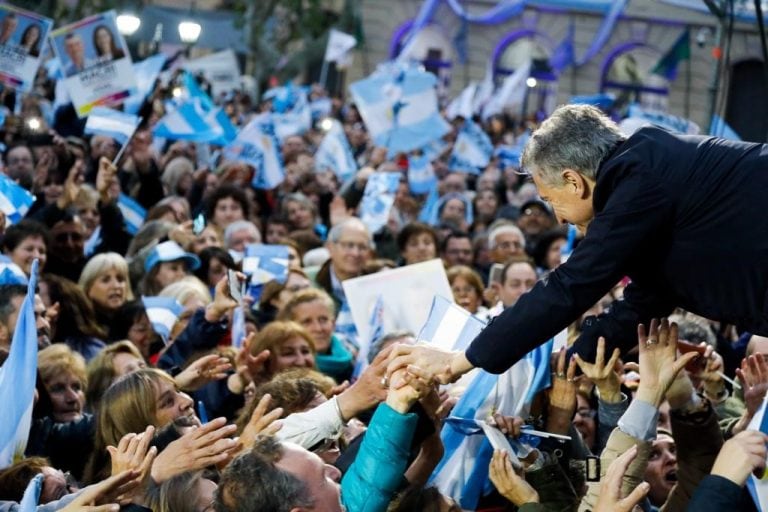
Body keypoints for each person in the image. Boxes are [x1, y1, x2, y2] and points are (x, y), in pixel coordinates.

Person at [388, 103, 768, 383]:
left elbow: (570, 285)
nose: (556, 217)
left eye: (550, 199)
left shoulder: (641, 178)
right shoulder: (647, 174)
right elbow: (647, 299)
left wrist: (457, 361)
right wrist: (568, 364)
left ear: (574, 181)